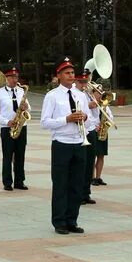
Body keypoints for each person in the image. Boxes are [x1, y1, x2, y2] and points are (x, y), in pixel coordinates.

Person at [40, 58, 89, 234]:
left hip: (79, 142)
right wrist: (66, 119)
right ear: (59, 76)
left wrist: (84, 118)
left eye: (72, 73)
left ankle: (72, 220)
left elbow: (89, 120)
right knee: (60, 184)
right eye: (67, 73)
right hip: (61, 144)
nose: (71, 75)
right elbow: (45, 122)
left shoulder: (81, 95)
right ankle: (59, 221)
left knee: (77, 185)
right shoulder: (52, 96)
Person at [0, 66, 29, 191]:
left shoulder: (22, 90)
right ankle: (7, 182)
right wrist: (6, 122)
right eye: (12, 77)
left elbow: (28, 109)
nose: (15, 79)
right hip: (7, 128)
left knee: (20, 155)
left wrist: (26, 107)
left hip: (22, 126)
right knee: (8, 156)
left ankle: (20, 181)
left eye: (16, 77)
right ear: (6, 78)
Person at [74, 70, 100, 205]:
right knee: (80, 165)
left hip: (90, 130)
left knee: (90, 163)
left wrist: (96, 123)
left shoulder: (88, 94)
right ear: (76, 81)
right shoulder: (74, 93)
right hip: (79, 132)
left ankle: (86, 193)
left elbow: (94, 112)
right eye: (82, 82)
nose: (84, 84)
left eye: (86, 81)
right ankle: (78, 194)